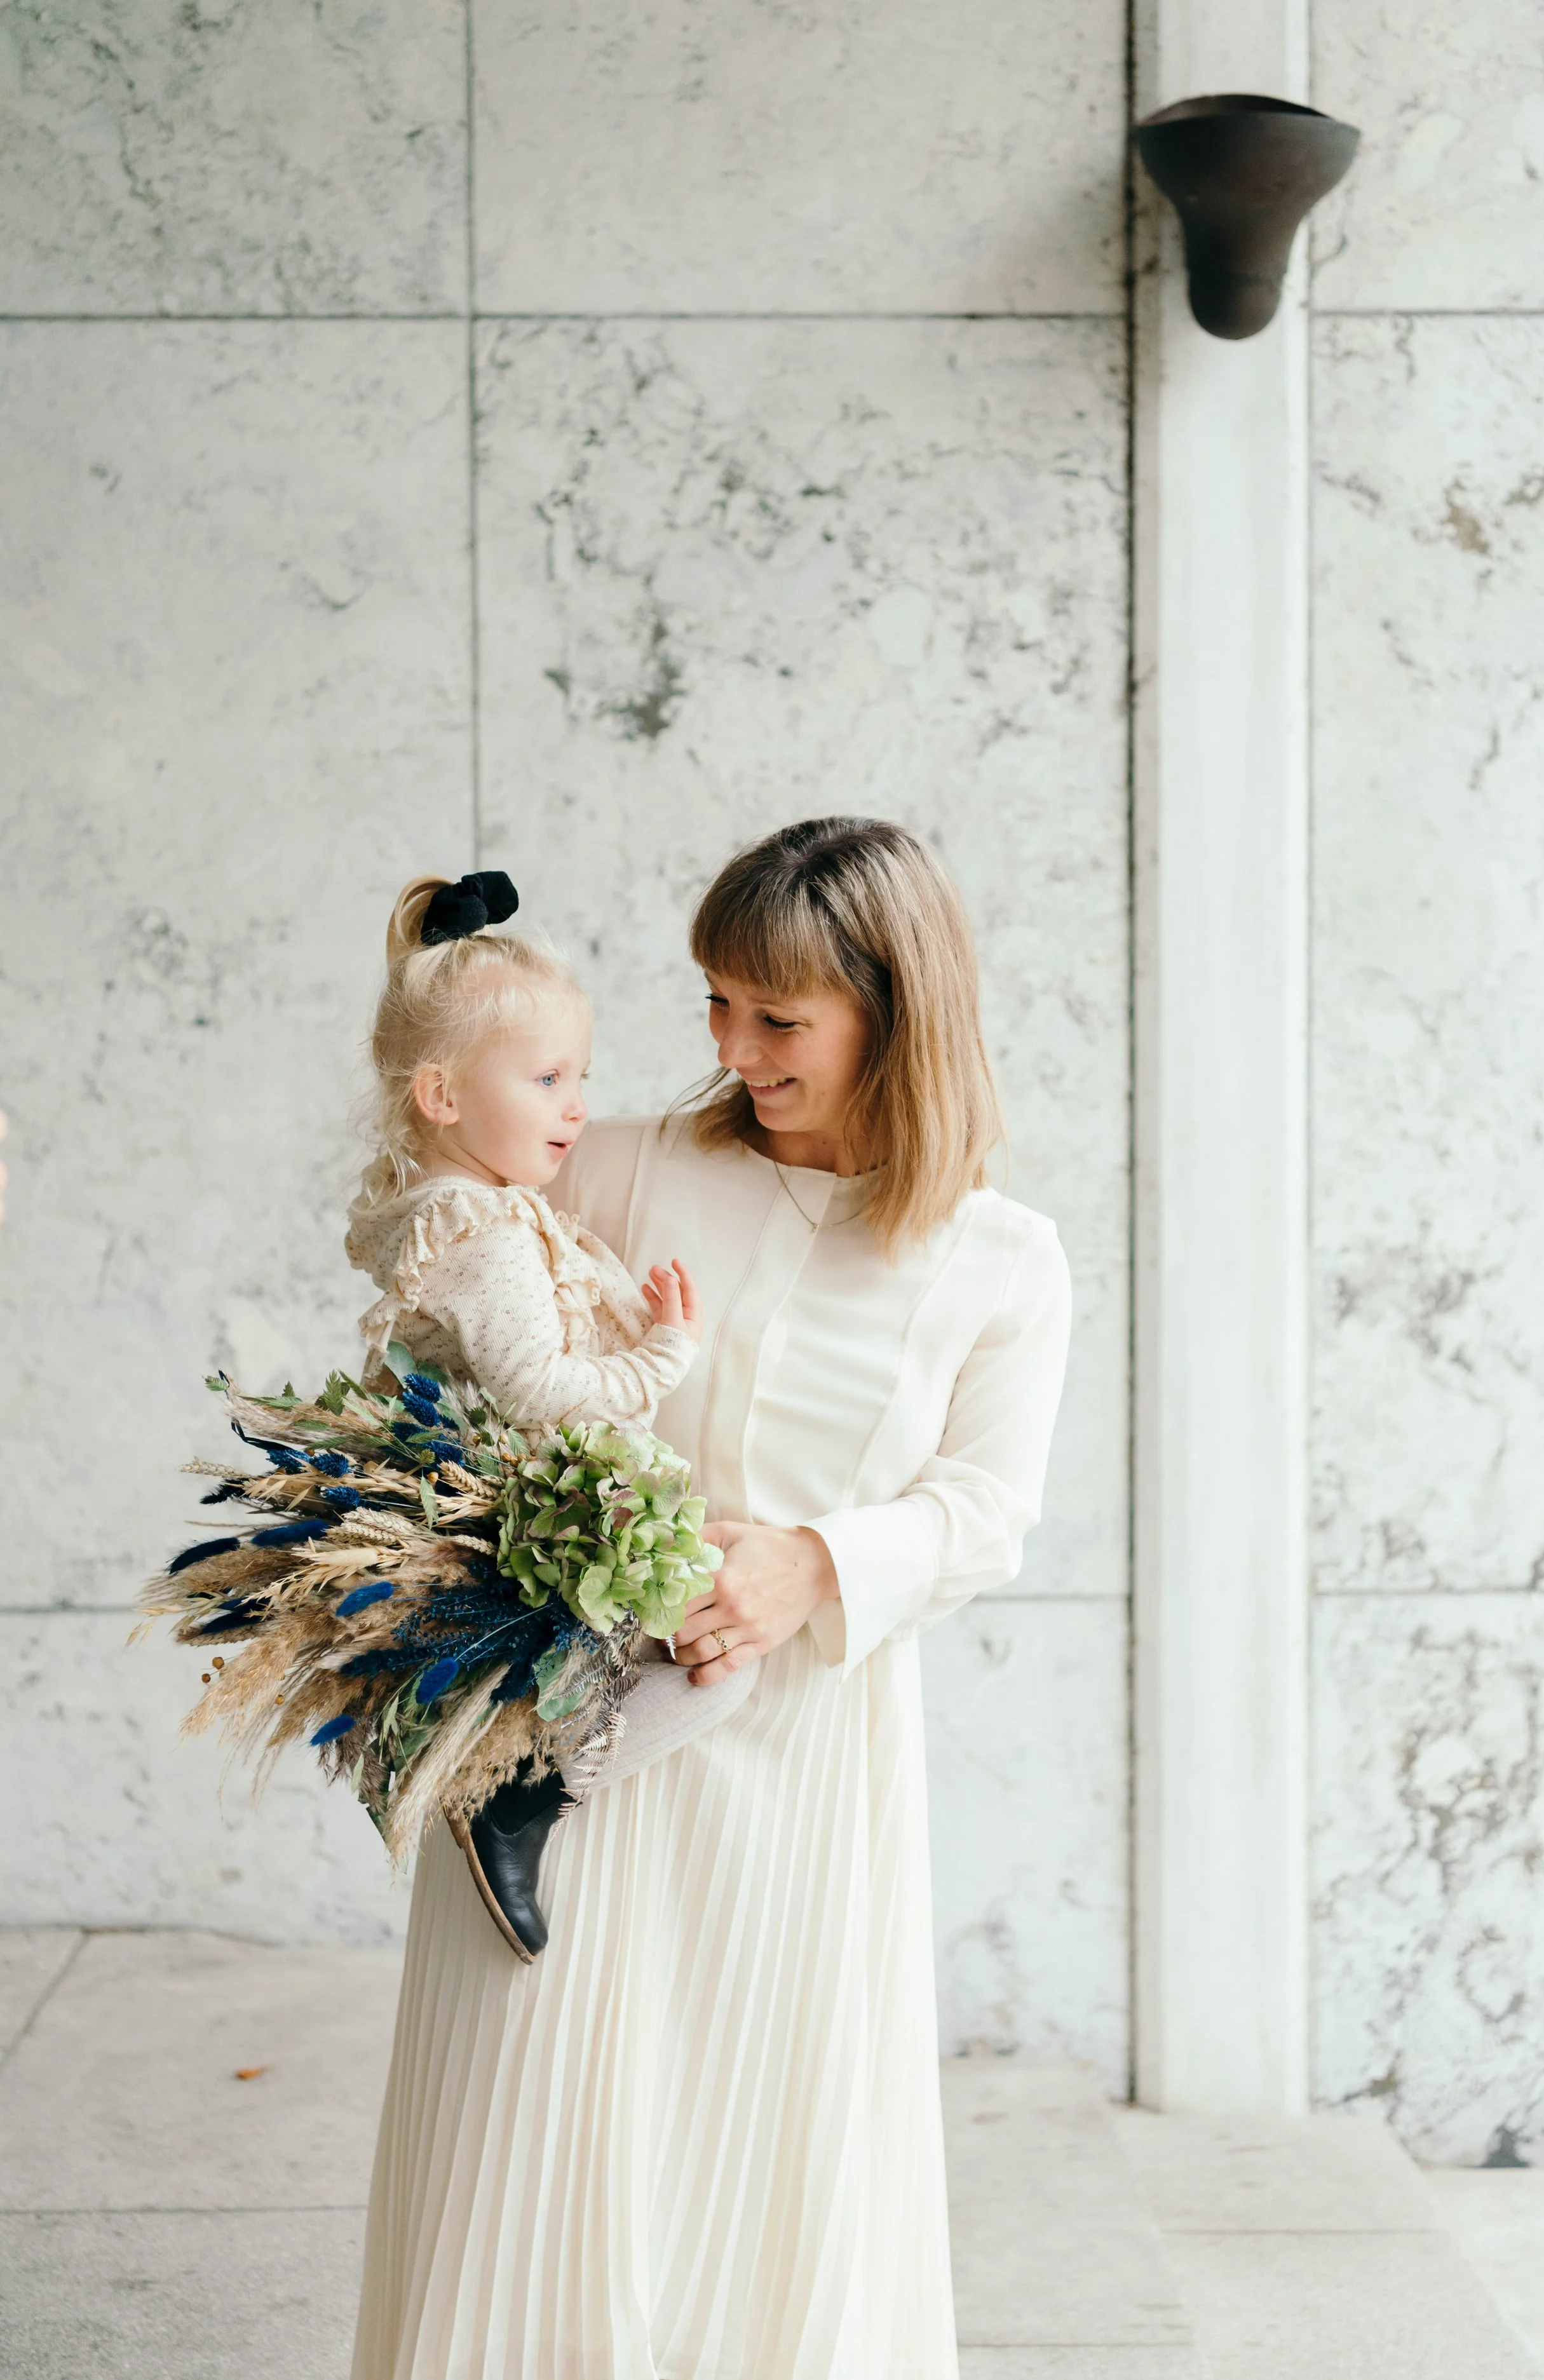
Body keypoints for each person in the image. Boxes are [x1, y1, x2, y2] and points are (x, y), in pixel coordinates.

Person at [351, 816, 1072, 2380]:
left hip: (804, 1765)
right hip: (558, 1754)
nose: (733, 1051)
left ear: (892, 1012)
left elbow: (986, 1509)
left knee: (766, 2170)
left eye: (777, 1017)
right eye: (715, 1004)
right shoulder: (611, 1166)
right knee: (522, 2164)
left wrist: (814, 1561)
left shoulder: (1003, 1260)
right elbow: (449, 1328)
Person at [344, 866, 722, 1956]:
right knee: (722, 1664)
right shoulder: (488, 1232)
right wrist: (661, 1354)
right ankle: (520, 1794)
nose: (578, 1104)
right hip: (526, 1523)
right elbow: (542, 1392)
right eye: (549, 1076)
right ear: (442, 1095)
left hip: (502, 1506)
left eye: (581, 1075)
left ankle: (498, 1765)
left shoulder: (453, 1207)